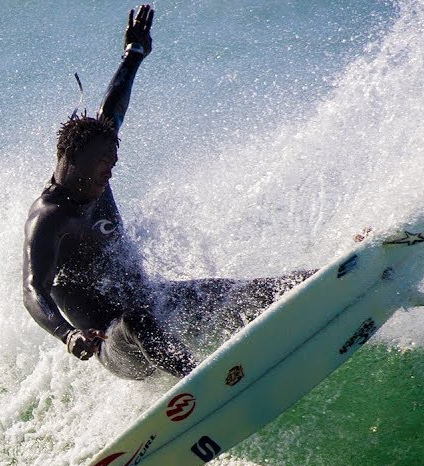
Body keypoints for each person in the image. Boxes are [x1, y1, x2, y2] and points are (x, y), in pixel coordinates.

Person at [22, 5, 312, 379]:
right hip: (117, 341)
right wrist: (68, 334)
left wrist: (134, 54)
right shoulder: (50, 218)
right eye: (103, 165)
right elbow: (33, 291)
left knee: (248, 291)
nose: (109, 173)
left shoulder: (96, 159)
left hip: (156, 302)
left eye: (113, 163)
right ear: (73, 159)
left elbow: (112, 109)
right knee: (138, 320)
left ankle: (340, 274)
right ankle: (204, 382)